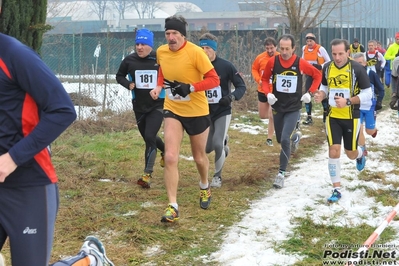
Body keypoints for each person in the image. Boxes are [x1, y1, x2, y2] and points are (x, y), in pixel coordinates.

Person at [0, 1, 77, 263]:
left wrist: (11, 159)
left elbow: (63, 110)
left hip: (28, 185)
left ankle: (87, 260)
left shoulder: (14, 54)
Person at [149, 15, 220, 222]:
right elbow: (163, 70)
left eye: (175, 34)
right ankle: (173, 206)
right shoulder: (161, 52)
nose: (170, 38)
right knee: (170, 156)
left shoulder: (196, 53)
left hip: (197, 111)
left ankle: (204, 185)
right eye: (168, 33)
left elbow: (214, 80)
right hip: (173, 109)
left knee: (199, 158)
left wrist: (190, 87)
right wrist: (159, 86)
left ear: (183, 35)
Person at [314, 39, 372, 203]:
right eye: (334, 54)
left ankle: (361, 153)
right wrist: (321, 95)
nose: (337, 57)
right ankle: (336, 189)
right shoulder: (327, 67)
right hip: (332, 116)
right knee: (333, 150)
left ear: (348, 52)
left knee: (350, 153)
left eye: (340, 53)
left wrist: (348, 101)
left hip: (351, 117)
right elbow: (325, 87)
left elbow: (368, 94)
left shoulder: (357, 69)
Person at [261, 34, 322, 189]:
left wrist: (310, 92)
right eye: (282, 48)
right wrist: (268, 94)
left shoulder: (300, 62)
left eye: (287, 48)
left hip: (294, 106)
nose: (284, 51)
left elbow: (317, 75)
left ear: (294, 48)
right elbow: (264, 79)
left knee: (284, 139)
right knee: (281, 140)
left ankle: (281, 174)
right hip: (277, 105)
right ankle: (295, 139)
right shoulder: (272, 62)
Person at [116, 28, 165, 189]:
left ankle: (147, 174)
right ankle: (165, 150)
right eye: (137, 44)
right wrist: (127, 84)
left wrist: (161, 87)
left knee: (150, 136)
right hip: (139, 106)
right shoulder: (129, 60)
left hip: (158, 105)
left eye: (143, 44)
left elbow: (171, 75)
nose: (139, 47)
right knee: (148, 137)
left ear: (150, 45)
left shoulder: (160, 59)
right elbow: (119, 76)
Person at [199, 32, 247, 188]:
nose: (204, 51)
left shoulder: (226, 66)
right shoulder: (197, 66)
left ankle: (217, 177)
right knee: (206, 148)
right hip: (204, 112)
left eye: (207, 48)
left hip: (222, 110)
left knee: (217, 143)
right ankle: (225, 144)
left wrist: (231, 97)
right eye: (202, 48)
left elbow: (241, 86)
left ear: (214, 49)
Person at [352, 52, 383, 156]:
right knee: (359, 129)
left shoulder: (371, 73)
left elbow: (381, 88)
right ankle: (363, 149)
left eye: (360, 63)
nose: (358, 66)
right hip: (358, 107)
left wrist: (379, 101)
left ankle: (374, 130)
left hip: (370, 107)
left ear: (365, 63)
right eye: (356, 63)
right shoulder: (351, 75)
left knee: (369, 131)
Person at [251, 37, 279, 146]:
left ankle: (269, 139)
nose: (270, 50)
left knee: (272, 115)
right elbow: (254, 69)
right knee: (263, 115)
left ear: (276, 47)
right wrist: (259, 80)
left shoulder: (280, 57)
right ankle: (279, 118)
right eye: (267, 48)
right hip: (262, 90)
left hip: (275, 91)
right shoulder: (260, 58)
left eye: (271, 48)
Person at [301, 33, 331, 125]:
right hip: (309, 76)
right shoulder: (304, 48)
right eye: (307, 41)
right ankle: (309, 117)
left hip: (320, 75)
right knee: (307, 95)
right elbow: (302, 60)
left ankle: (326, 114)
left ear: (315, 41)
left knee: (322, 94)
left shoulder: (320, 49)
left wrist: (319, 66)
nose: (309, 43)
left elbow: (329, 61)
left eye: (311, 41)